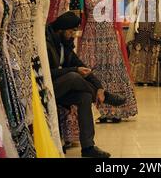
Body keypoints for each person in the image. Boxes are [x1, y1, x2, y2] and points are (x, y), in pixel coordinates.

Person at [46, 11, 126, 158]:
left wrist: (100, 87)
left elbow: (83, 68)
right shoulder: (47, 43)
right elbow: (47, 74)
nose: (72, 35)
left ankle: (88, 147)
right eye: (70, 31)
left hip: (62, 88)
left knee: (84, 96)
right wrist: (73, 69)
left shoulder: (65, 44)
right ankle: (106, 97)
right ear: (61, 29)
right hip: (47, 89)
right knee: (72, 76)